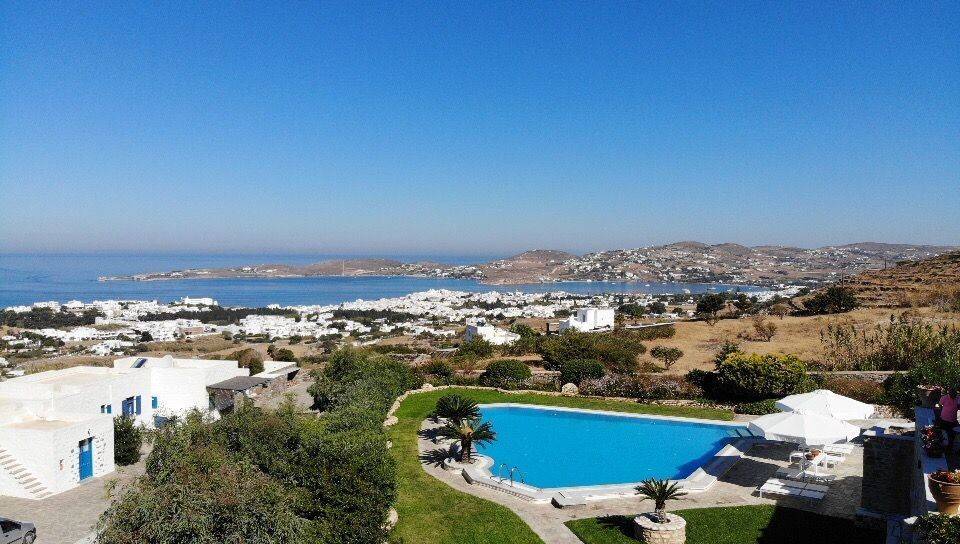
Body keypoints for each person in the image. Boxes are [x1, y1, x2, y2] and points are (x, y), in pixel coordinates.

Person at [936, 387, 959, 452]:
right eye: (952, 395)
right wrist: (941, 413)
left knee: (951, 435)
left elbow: (958, 406)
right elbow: (940, 405)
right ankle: (941, 447)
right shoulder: (944, 398)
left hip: (953, 420)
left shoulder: (958, 398)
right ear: (949, 394)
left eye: (955, 395)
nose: (954, 396)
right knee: (943, 434)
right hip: (944, 419)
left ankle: (949, 449)